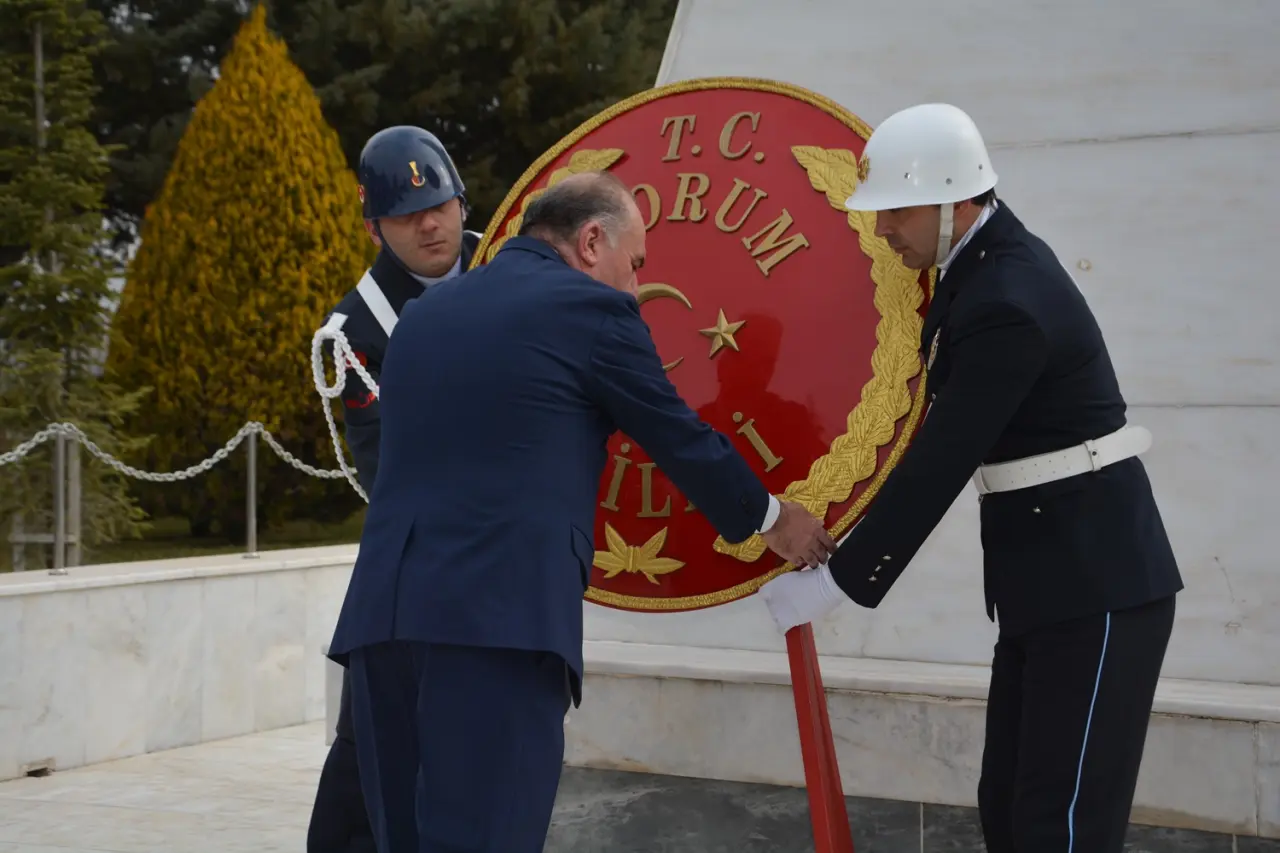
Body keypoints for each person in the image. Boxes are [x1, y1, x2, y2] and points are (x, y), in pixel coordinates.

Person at [326, 170, 836, 852]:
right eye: (635, 263)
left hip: (380, 626)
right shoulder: (589, 309)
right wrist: (773, 518)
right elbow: (679, 436)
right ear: (592, 241)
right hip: (494, 627)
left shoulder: (423, 315)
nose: (636, 286)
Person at [758, 103, 1183, 852]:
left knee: (1060, 827)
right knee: (1010, 810)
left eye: (896, 211)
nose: (882, 230)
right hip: (1048, 583)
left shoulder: (1006, 299)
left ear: (954, 200)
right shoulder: (977, 271)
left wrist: (836, 583)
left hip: (1096, 585)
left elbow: (942, 458)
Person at [308, 125, 482, 853]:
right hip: (416, 557)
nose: (430, 225)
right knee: (371, 743)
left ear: (462, 200)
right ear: (374, 226)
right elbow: (388, 472)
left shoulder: (513, 262)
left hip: (516, 546)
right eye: (406, 215)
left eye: (439, 205)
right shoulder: (354, 330)